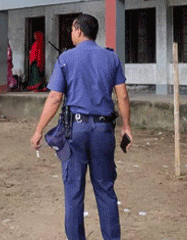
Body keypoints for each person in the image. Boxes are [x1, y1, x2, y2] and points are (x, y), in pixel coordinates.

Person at [30, 14, 133, 240]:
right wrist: (126, 126)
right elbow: (122, 96)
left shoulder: (66, 59)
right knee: (105, 190)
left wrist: (39, 129)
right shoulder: (111, 58)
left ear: (78, 30)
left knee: (74, 192)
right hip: (103, 131)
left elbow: (55, 98)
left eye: (72, 30)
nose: (71, 34)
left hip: (74, 132)